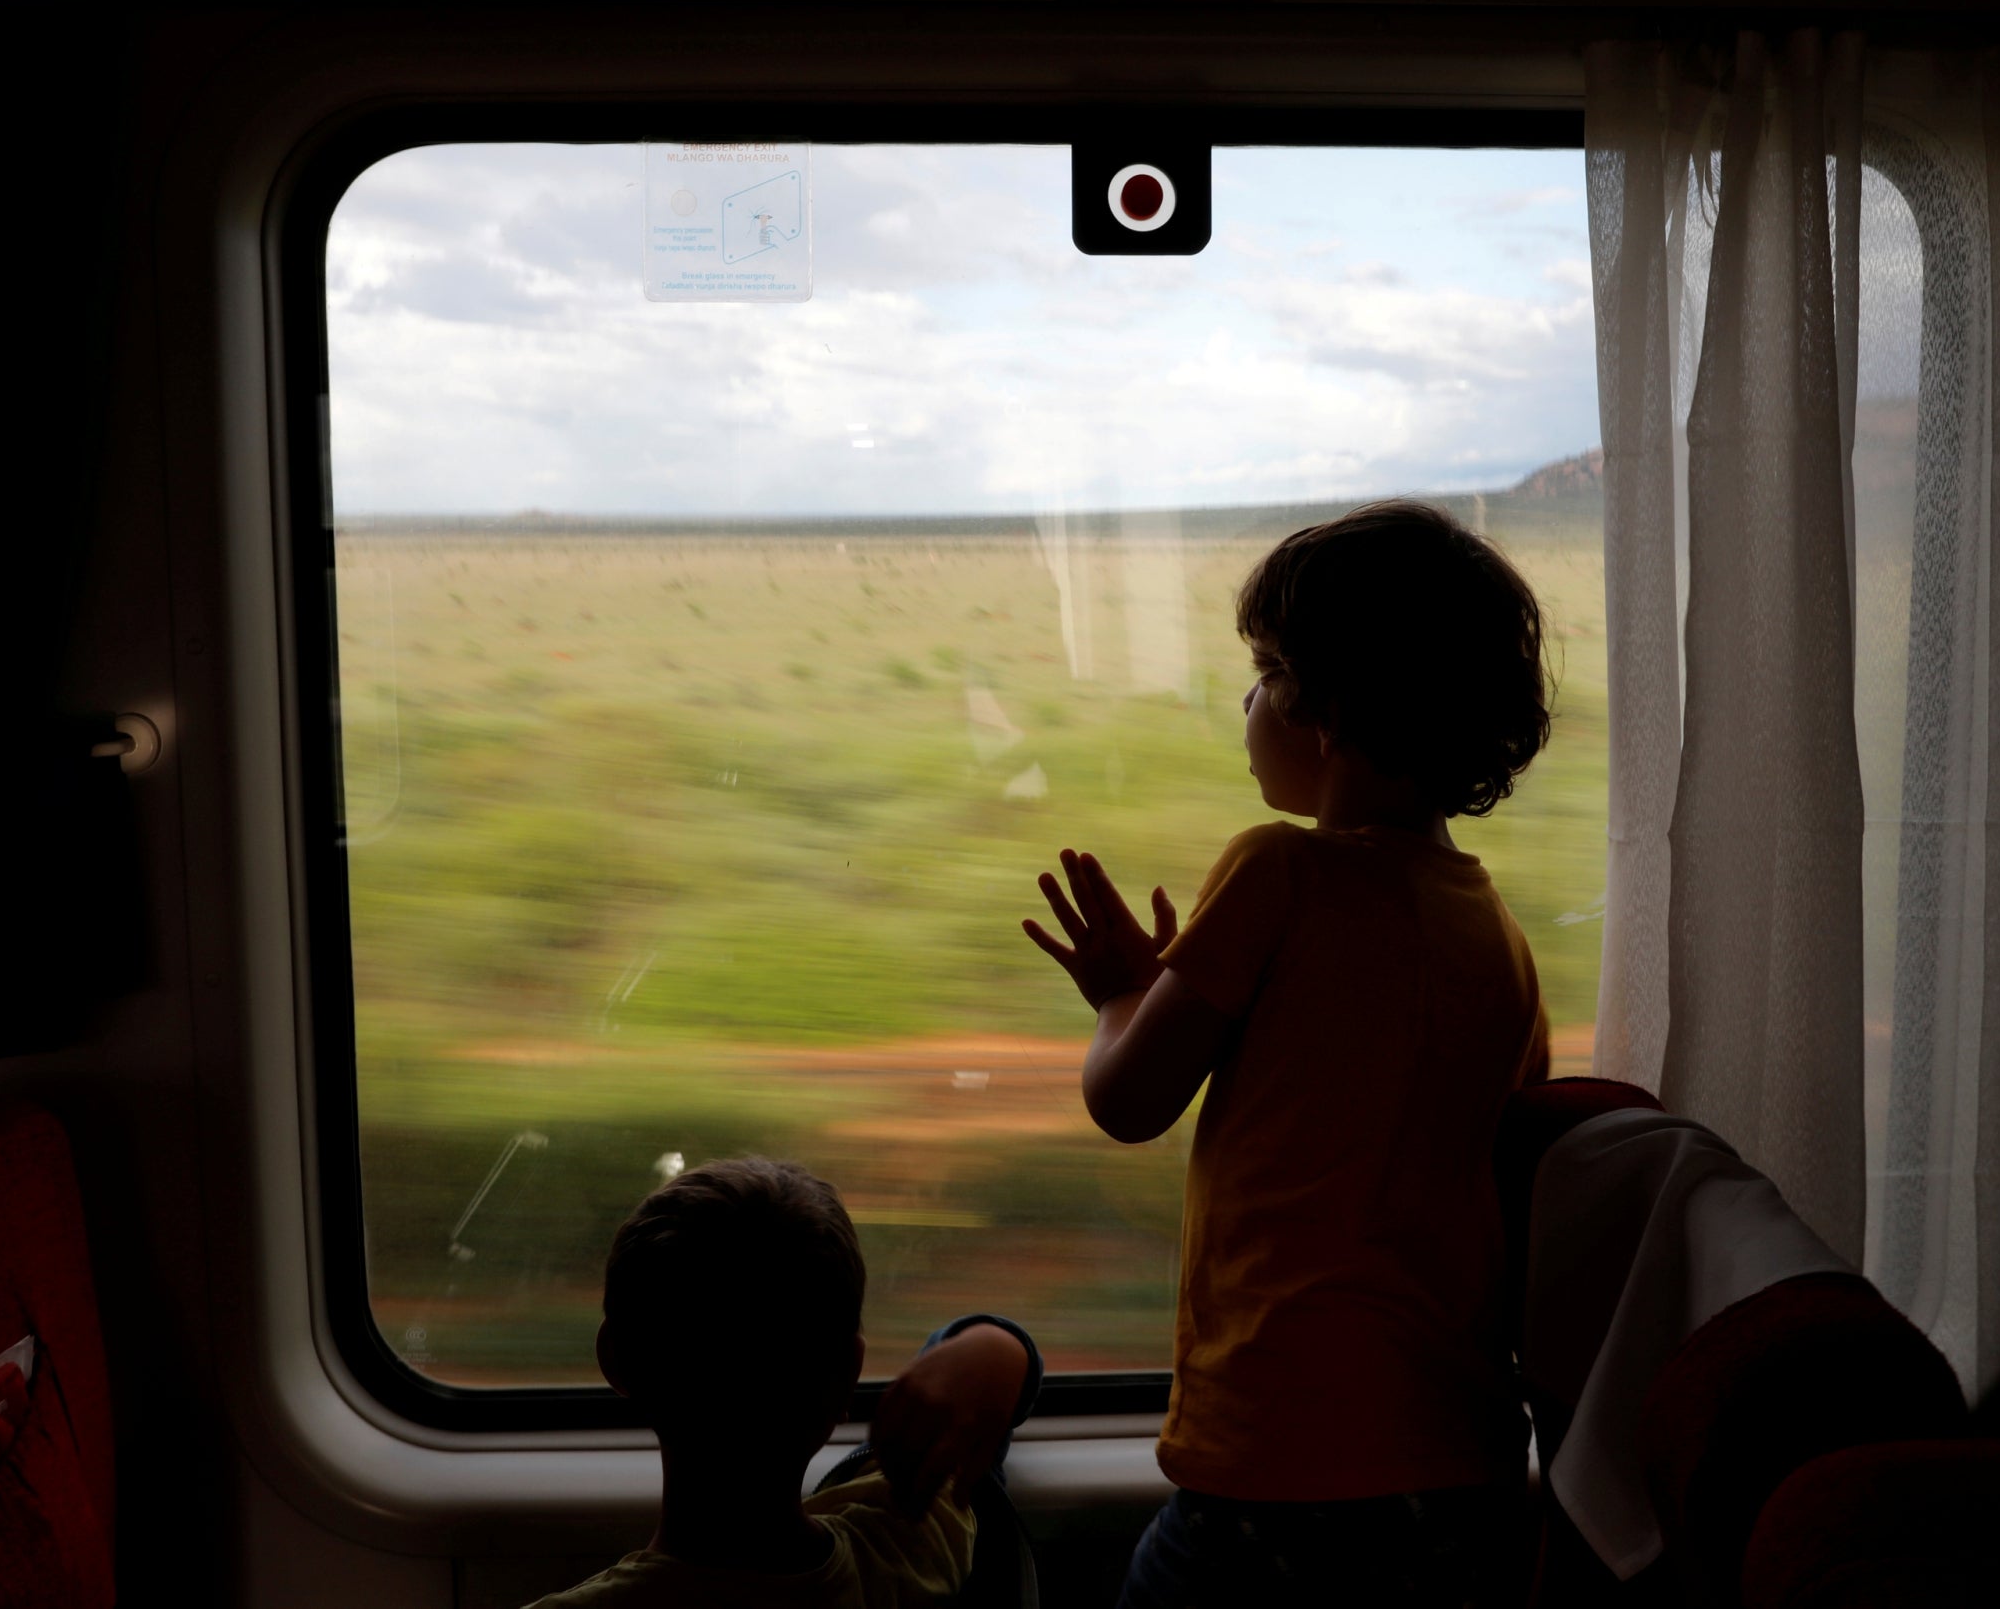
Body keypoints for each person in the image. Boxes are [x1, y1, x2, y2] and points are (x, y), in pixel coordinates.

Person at [1021, 500, 1556, 1607]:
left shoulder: (1277, 873)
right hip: (1461, 1473)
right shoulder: (1493, 933)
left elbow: (1127, 1097)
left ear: (1331, 708)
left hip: (1280, 1464)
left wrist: (1122, 992)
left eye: (1266, 669)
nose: (1249, 697)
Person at [524, 1156, 1042, 1608]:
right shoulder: (907, 1551)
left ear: (615, 1360)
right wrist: (998, 1343)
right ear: (848, 1377)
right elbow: (962, 1400)